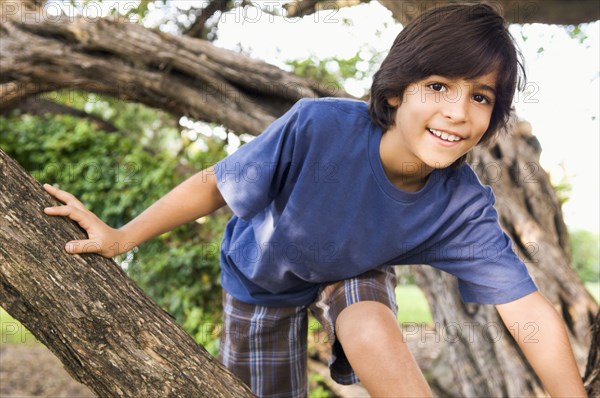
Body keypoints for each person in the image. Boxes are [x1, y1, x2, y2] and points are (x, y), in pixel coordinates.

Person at [43, 3, 587, 397]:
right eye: (439, 86)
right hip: (261, 277)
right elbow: (215, 183)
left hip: (353, 267)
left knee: (370, 323)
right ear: (396, 89)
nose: (457, 112)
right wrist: (122, 237)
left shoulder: (461, 204)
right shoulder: (320, 126)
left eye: (481, 97)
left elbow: (526, 309)